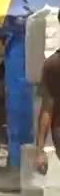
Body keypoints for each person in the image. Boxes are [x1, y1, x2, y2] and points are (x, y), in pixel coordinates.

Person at [36, 44, 60, 174]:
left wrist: (40, 150)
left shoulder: (52, 64)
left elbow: (46, 109)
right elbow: (47, 108)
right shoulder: (53, 65)